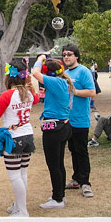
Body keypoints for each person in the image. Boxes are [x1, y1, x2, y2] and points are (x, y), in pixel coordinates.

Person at [0, 58, 39, 217]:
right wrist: (30, 85)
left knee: (15, 175)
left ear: (9, 76)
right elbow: (35, 100)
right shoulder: (28, 92)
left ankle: (22, 211)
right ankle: (18, 206)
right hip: (27, 135)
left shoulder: (8, 95)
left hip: (14, 137)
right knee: (22, 173)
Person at [31, 55, 74, 209]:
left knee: (53, 165)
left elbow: (35, 73)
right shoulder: (63, 82)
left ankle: (57, 199)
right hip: (63, 126)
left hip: (54, 128)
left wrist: (40, 59)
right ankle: (60, 195)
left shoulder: (55, 82)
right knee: (59, 164)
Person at [62, 44, 96, 198]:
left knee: (81, 151)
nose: (66, 57)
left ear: (76, 56)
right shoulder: (65, 73)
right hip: (68, 121)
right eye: (64, 54)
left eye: (69, 54)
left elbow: (92, 92)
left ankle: (85, 183)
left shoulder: (84, 71)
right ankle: (76, 179)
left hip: (81, 120)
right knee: (73, 150)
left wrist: (75, 91)